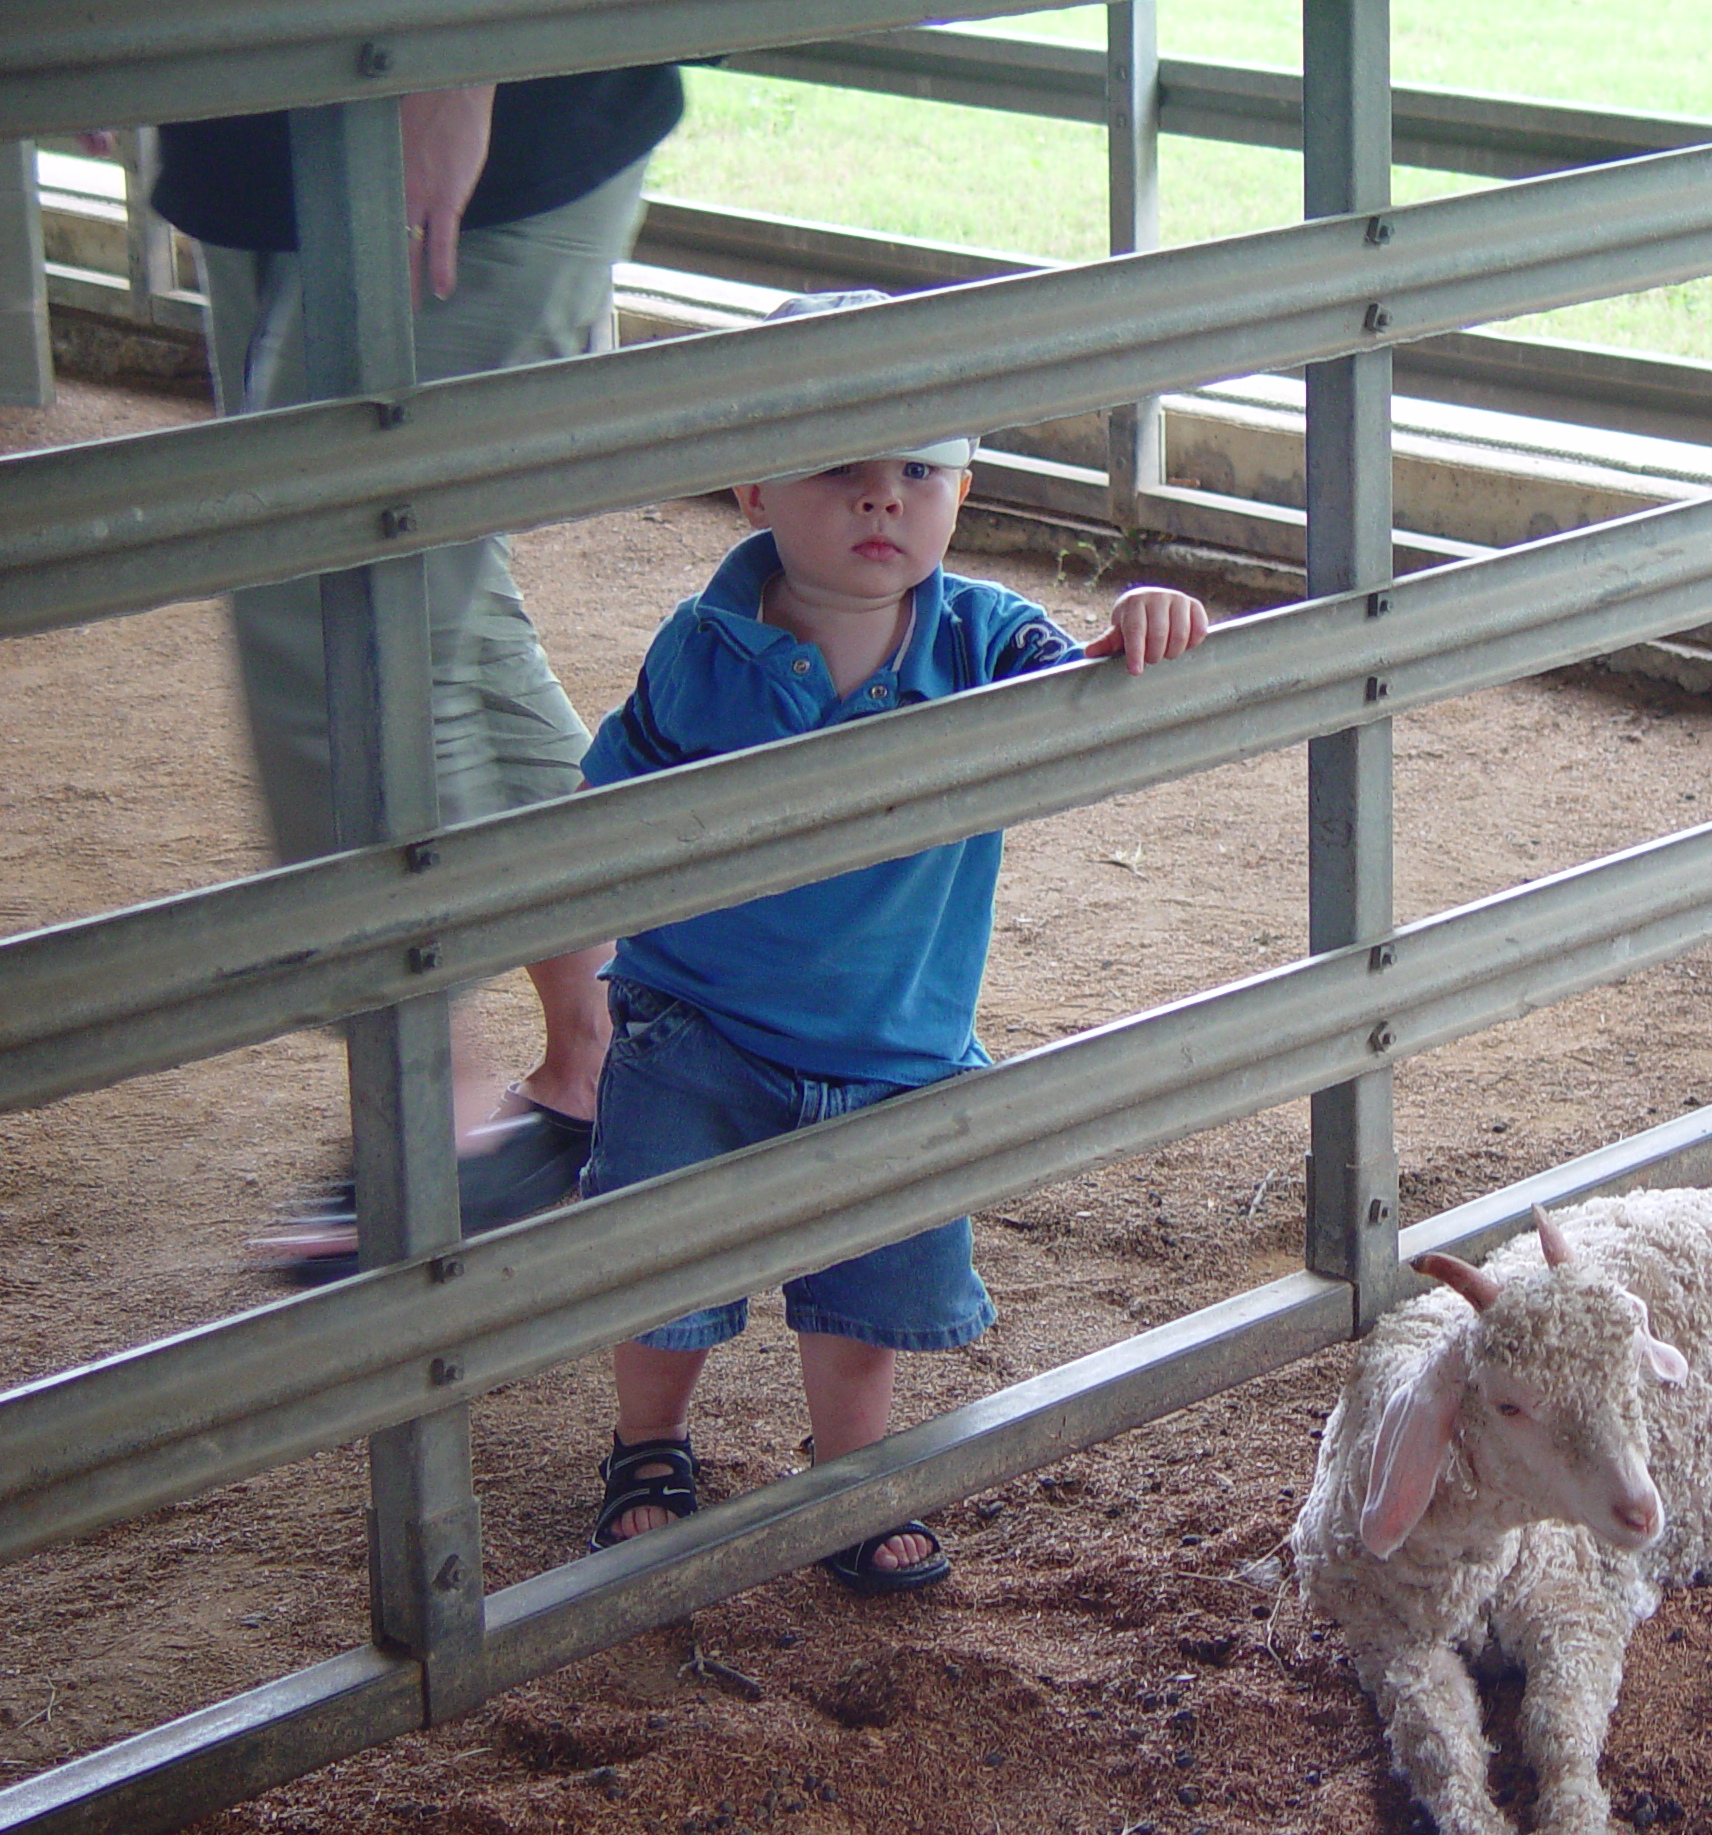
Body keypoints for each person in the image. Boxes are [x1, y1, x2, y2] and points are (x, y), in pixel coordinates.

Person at [581, 290, 1213, 1592]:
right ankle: (648, 1443)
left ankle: (850, 1475)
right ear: (755, 485)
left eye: (917, 471)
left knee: (866, 1299)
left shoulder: (985, 640)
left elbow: (1075, 689)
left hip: (895, 1049)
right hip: (694, 1029)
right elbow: (607, 804)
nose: (883, 502)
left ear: (962, 492)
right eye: (841, 470)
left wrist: (1141, 619)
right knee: (663, 1271)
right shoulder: (702, 651)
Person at [147, 69, 685, 1275]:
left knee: (327, 583)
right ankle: (607, 1053)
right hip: (255, 130)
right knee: (436, 583)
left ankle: (442, 1103)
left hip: (478, 113)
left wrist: (457, 58)